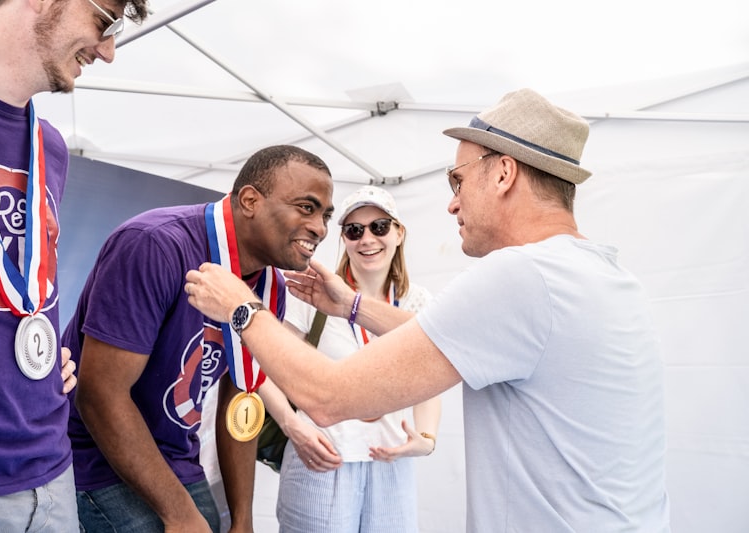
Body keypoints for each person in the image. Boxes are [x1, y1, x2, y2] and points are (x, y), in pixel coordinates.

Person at [184, 88, 672, 532]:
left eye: (456, 181)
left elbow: (327, 396)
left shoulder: (521, 276)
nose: (452, 206)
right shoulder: (603, 276)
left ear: (504, 173)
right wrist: (352, 306)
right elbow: (443, 335)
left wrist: (240, 307)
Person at [0, 0, 148, 530]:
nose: (107, 51)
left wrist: (36, 360)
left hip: (51, 472)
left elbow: (22, 279)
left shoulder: (49, 147)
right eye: (105, 22)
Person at [62, 145, 334, 532]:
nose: (320, 228)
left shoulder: (271, 287)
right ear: (251, 200)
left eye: (325, 215)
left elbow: (241, 399)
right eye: (307, 207)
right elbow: (100, 395)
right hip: (93, 461)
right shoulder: (155, 244)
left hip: (176, 458)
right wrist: (180, 515)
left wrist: (242, 519)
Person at [267, 185, 441, 532]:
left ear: (398, 232)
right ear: (343, 238)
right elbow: (268, 365)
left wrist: (425, 439)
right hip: (322, 458)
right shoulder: (314, 291)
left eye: (379, 226)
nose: (367, 239)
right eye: (354, 230)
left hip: (391, 463)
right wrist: (293, 425)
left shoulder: (416, 302)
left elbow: (431, 379)